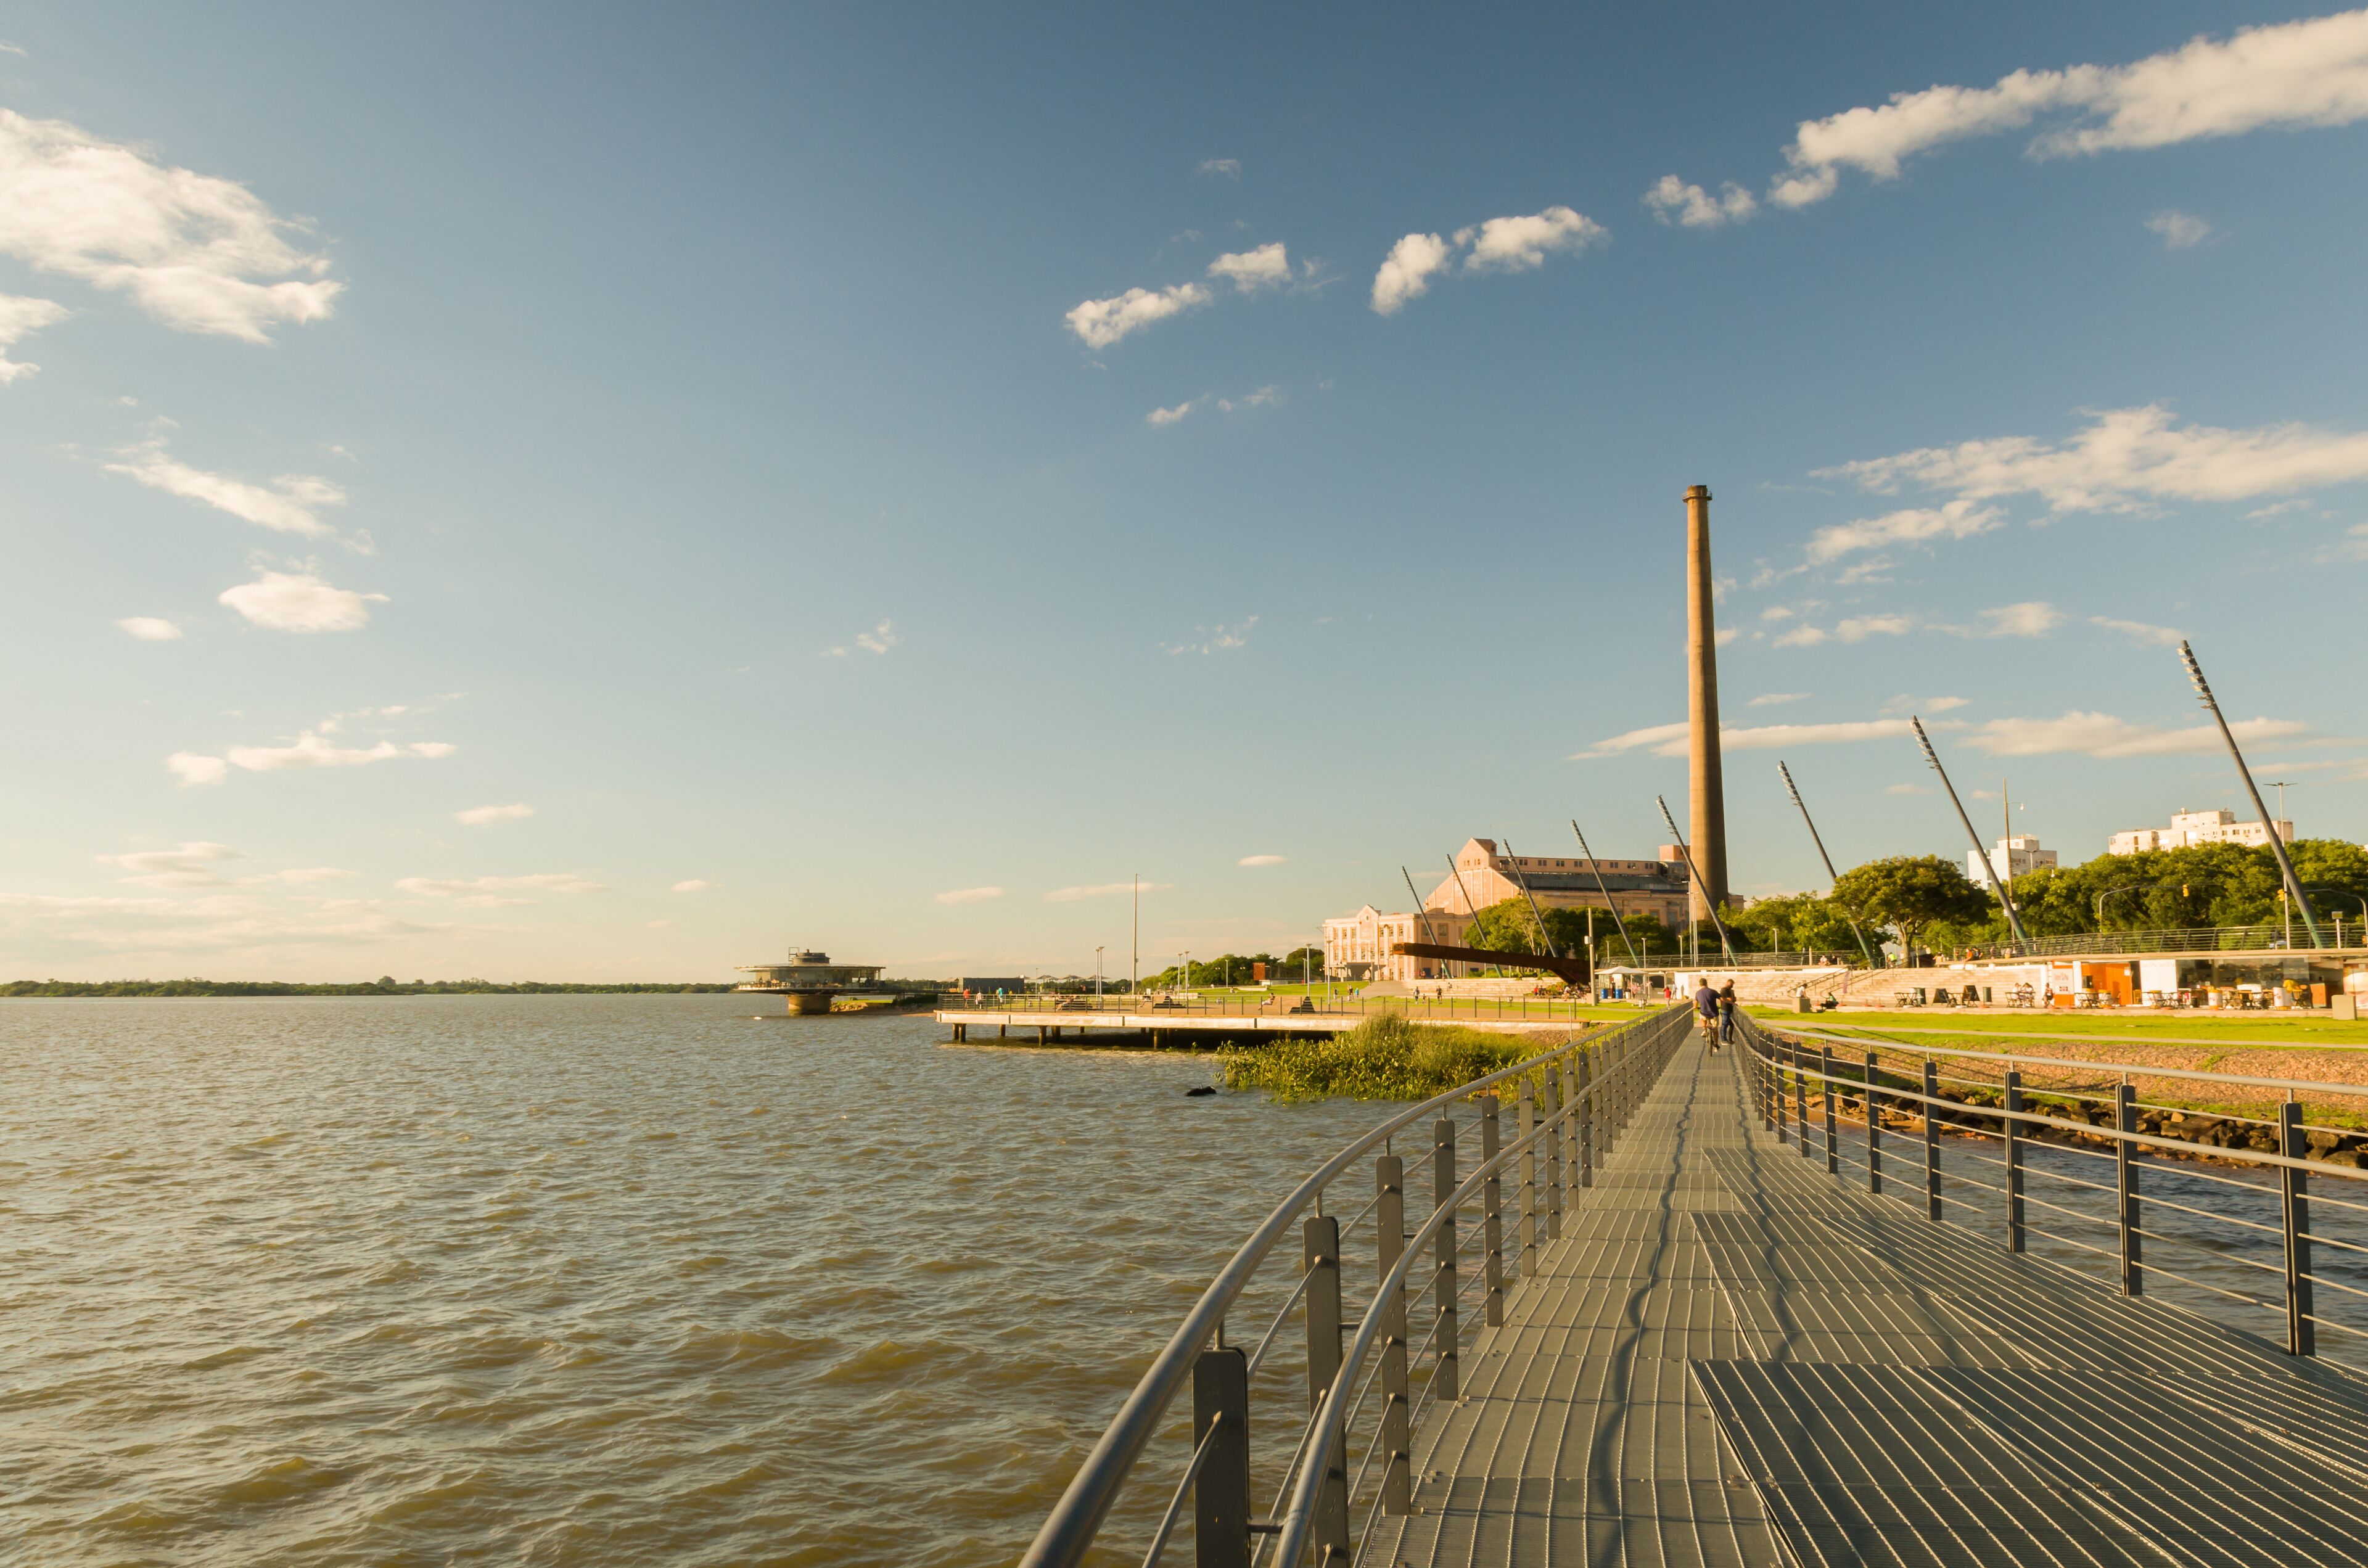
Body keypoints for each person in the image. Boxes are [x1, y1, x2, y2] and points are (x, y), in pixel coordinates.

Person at [1693, 979, 1719, 1047]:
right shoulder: (1713, 991)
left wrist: (1695, 1007)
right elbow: (1721, 999)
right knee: (1715, 1030)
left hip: (1704, 1013)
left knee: (1703, 1017)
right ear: (1707, 983)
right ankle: (1716, 1044)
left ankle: (1704, 1030)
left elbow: (1695, 1004)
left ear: (1700, 984)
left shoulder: (1698, 993)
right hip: (1714, 1014)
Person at [1717, 979, 1738, 1046]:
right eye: (1731, 985)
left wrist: (1733, 995)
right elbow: (1730, 999)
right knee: (1724, 1025)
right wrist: (1732, 995)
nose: (1732, 986)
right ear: (1728, 983)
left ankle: (1730, 1040)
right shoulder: (1724, 990)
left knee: (1731, 1025)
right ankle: (1724, 1040)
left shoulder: (1729, 991)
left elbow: (1734, 999)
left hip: (1728, 1010)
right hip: (1725, 1010)